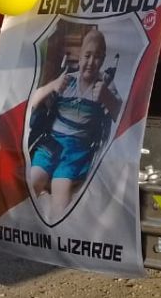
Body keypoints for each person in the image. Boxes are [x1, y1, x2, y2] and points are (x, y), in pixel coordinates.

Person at [27, 28, 122, 218]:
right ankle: (34, 223)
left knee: (60, 188)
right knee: (33, 181)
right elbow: (32, 102)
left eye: (97, 57)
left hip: (78, 148)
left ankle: (58, 235)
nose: (90, 62)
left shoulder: (105, 84)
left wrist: (106, 97)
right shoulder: (67, 79)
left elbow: (120, 114)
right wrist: (51, 87)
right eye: (87, 55)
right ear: (79, 57)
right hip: (52, 142)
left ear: (103, 60)